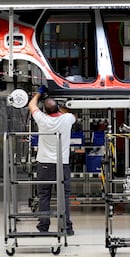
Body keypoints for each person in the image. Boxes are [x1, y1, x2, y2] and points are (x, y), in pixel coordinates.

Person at [28, 85, 76, 236]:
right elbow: (72, 115)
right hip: (62, 164)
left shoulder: (42, 119)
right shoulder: (67, 119)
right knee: (64, 196)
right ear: (57, 109)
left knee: (44, 196)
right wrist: (61, 106)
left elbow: (31, 105)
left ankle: (43, 226)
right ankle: (66, 227)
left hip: (45, 165)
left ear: (45, 110)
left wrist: (39, 93)